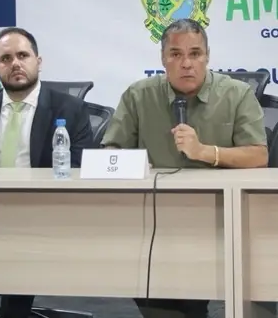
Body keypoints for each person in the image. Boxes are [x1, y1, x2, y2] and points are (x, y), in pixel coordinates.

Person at [102, 18, 268, 318]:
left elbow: (258, 156)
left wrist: (205, 152)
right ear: (163, 59)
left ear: (207, 56)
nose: (186, 63)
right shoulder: (139, 95)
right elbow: (110, 152)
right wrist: (131, 163)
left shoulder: (237, 94)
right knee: (152, 289)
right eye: (176, 54)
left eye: (195, 53)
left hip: (219, 216)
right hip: (154, 217)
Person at [0, 27, 93, 318]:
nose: (15, 63)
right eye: (6, 59)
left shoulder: (70, 108)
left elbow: (79, 168)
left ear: (38, 61)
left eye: (23, 55)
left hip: (42, 209)